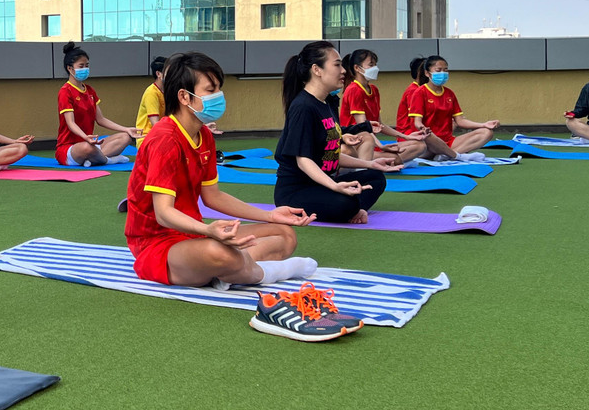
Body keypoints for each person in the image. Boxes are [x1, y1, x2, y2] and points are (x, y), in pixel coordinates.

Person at [125, 51, 319, 288]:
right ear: (184, 96)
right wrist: (208, 229)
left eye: (219, 88)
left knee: (284, 234)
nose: (219, 95)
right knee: (219, 252)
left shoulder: (203, 135)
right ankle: (262, 272)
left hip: (194, 235)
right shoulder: (164, 139)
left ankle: (230, 271)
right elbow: (163, 213)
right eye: (211, 89)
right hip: (157, 245)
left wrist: (270, 215)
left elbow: (213, 196)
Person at [274, 41, 402, 224]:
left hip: (321, 184)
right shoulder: (303, 107)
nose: (343, 70)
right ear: (317, 70)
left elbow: (330, 153)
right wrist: (334, 186)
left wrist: (371, 164)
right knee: (345, 203)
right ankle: (354, 209)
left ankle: (356, 210)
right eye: (337, 65)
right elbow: (303, 160)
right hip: (297, 191)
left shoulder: (327, 103)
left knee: (375, 178)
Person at [340, 49, 454, 164]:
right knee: (396, 157)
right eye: (371, 65)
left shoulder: (374, 90)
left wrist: (406, 137)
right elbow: (363, 127)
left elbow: (380, 125)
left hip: (373, 144)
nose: (375, 68)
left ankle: (387, 160)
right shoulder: (354, 90)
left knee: (420, 146)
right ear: (357, 68)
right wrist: (381, 146)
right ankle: (380, 161)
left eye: (375, 64)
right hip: (358, 145)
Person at [56, 42, 140, 166]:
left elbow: (101, 119)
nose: (85, 69)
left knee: (125, 137)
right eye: (81, 66)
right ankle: (110, 160)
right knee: (87, 148)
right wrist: (85, 137)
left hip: (91, 143)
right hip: (69, 148)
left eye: (87, 65)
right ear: (70, 68)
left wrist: (126, 129)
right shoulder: (65, 92)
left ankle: (94, 158)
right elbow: (71, 123)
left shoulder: (90, 90)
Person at [404, 55, 500, 157]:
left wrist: (484, 125)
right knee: (427, 135)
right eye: (438, 70)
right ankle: (455, 156)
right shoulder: (419, 92)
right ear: (427, 73)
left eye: (445, 70)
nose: (443, 73)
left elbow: (460, 121)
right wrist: (422, 128)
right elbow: (417, 122)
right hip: (428, 141)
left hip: (448, 141)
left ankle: (446, 155)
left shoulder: (449, 93)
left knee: (487, 133)